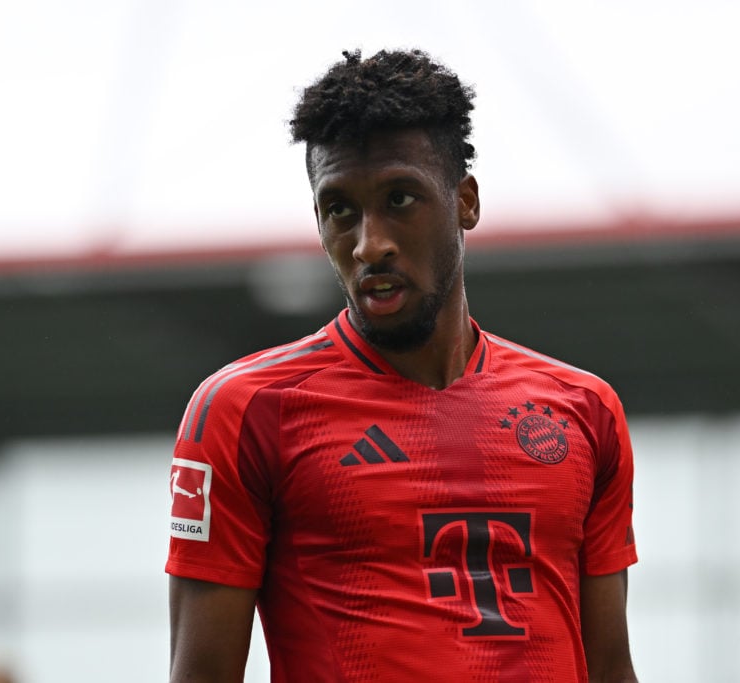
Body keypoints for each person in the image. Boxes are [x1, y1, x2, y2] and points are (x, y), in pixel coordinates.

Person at [166, 48, 639, 682]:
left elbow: (609, 667)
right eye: (340, 210)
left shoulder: (582, 408)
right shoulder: (244, 410)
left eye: (400, 199)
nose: (370, 243)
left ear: (464, 202)